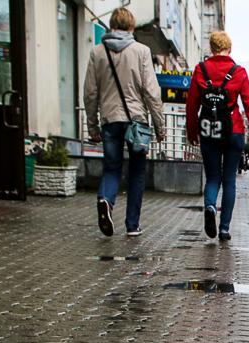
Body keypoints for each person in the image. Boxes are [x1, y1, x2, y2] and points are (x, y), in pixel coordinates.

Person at [83, 7, 166, 237]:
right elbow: (151, 91)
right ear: (131, 26)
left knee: (111, 168)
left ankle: (106, 200)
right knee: (137, 172)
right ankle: (132, 225)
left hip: (109, 120)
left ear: (111, 24)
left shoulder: (97, 52)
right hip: (136, 121)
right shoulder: (141, 51)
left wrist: (92, 125)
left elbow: (90, 92)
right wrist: (160, 126)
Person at [186, 31, 249, 241]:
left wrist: (192, 131)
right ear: (229, 49)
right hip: (234, 131)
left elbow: (192, 104)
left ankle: (210, 206)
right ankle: (224, 229)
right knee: (229, 180)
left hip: (208, 130)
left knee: (213, 177)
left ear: (211, 49)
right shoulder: (238, 72)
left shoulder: (200, 70)